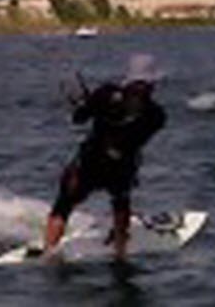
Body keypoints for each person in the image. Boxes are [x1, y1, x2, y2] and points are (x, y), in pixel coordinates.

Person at [43, 53, 166, 260]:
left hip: (95, 162)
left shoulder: (106, 95)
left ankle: (49, 252)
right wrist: (86, 107)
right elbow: (133, 140)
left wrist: (83, 106)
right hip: (115, 166)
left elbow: (79, 119)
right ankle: (120, 252)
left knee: (65, 204)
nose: (143, 89)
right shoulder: (156, 115)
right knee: (118, 203)